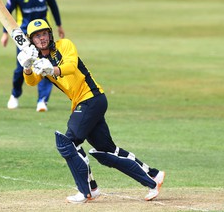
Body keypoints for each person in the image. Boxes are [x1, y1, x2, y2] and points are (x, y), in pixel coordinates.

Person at [17, 18, 165, 203]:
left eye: (44, 34)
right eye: (37, 36)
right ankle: (153, 176)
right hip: (83, 102)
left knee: (68, 142)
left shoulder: (65, 45)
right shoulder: (38, 59)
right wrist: (27, 68)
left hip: (92, 97)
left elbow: (71, 66)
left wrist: (53, 69)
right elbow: (31, 82)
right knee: (107, 151)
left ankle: (86, 190)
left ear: (50, 34)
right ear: (32, 40)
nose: (42, 38)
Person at [1, 0, 65, 111]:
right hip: (24, 37)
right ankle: (15, 95)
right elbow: (6, 14)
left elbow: (54, 7)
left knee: (46, 66)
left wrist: (59, 26)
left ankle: (42, 100)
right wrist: (5, 33)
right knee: (22, 67)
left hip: (44, 36)